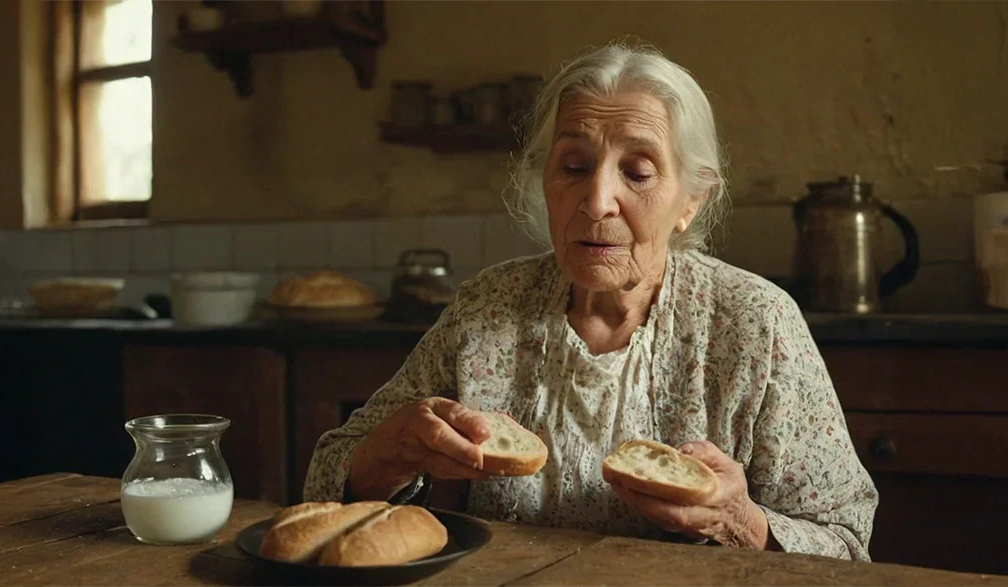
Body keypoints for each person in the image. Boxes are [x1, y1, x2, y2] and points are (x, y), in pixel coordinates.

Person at [302, 41, 877, 561]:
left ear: (690, 201)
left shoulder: (756, 321)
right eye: (574, 167)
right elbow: (325, 482)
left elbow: (848, 542)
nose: (597, 200)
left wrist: (743, 524)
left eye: (639, 172)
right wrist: (391, 452)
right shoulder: (487, 307)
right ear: (546, 182)